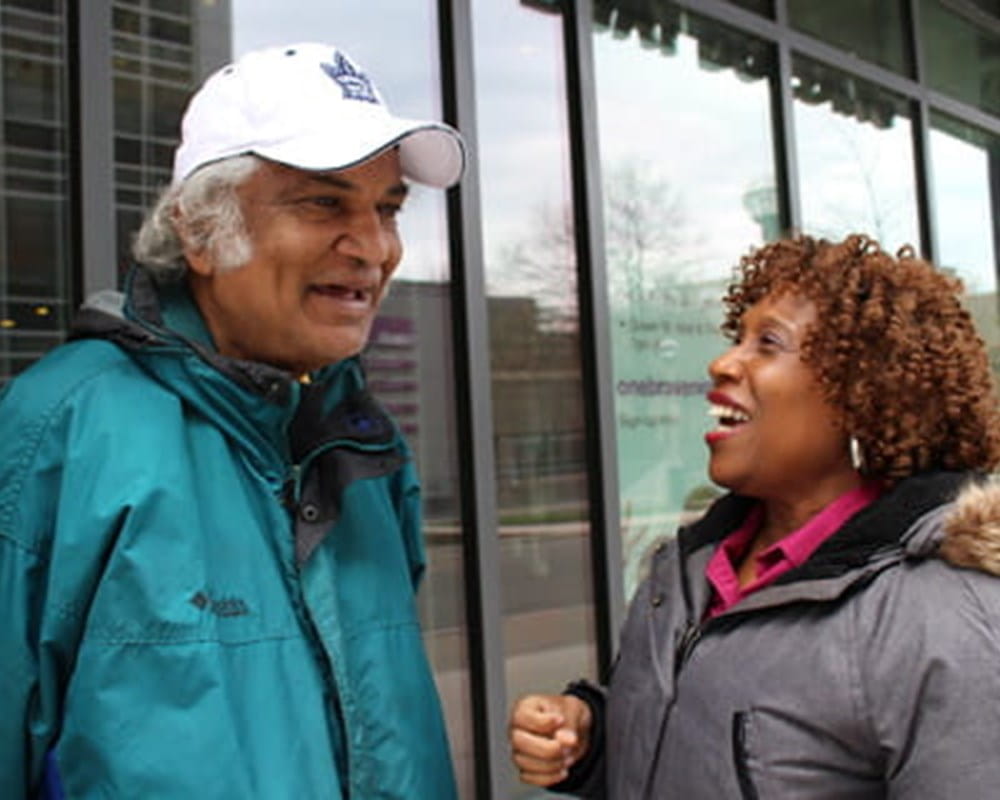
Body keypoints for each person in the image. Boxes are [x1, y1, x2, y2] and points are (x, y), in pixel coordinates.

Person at [0, 42, 465, 799]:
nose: (375, 248)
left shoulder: (365, 441)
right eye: (325, 202)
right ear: (199, 231)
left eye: (386, 209)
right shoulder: (60, 428)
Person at [509, 233, 1000, 798]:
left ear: (861, 392)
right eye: (736, 338)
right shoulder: (684, 572)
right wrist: (590, 736)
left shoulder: (941, 615)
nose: (721, 363)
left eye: (769, 342)